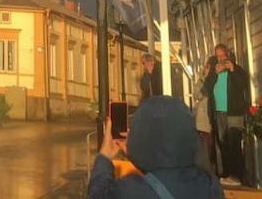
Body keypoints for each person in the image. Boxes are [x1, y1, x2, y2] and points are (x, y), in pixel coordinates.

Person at [89, 95, 224, 198]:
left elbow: (98, 194)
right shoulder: (211, 186)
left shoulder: (130, 190)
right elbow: (165, 173)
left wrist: (104, 156)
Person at [202, 44, 250, 187]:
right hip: (219, 112)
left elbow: (243, 85)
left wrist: (232, 69)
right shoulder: (214, 71)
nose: (221, 59)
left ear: (228, 55)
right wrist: (213, 74)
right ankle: (226, 174)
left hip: (233, 112)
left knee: (234, 143)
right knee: (223, 145)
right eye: (218, 56)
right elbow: (206, 89)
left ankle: (237, 175)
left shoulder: (236, 69)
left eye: (223, 55)